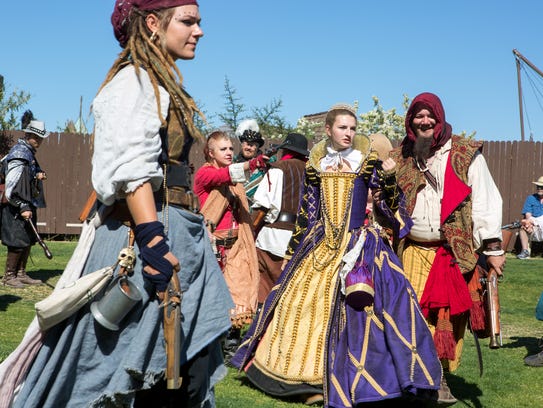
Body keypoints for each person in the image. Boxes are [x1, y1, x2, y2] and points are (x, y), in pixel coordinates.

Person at [0, 1, 233, 407]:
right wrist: (154, 243)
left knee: (185, 374)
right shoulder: (133, 83)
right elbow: (131, 169)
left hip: (175, 231)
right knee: (121, 371)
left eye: (199, 22)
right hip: (143, 238)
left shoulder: (160, 85)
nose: (199, 30)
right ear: (153, 24)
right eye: (188, 21)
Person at [232, 104, 442, 407]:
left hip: (358, 243)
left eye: (353, 128)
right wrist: (294, 253)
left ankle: (363, 378)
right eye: (342, 128)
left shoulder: (366, 162)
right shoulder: (317, 164)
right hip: (320, 244)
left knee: (368, 309)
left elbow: (390, 205)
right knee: (298, 302)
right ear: (328, 130)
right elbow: (308, 212)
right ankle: (298, 380)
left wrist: (390, 179)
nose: (349, 133)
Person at [390, 92, 506, 404]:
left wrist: (493, 248)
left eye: (430, 116)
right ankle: (414, 378)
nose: (424, 121)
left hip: (451, 254)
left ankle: (438, 379)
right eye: (419, 116)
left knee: (447, 322)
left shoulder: (466, 154)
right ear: (411, 121)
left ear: (439, 118)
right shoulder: (401, 155)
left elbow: (486, 202)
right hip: (410, 251)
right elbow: (385, 201)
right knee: (409, 317)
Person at [194, 130, 268, 360]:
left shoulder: (233, 179)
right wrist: (252, 163)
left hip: (235, 245)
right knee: (212, 296)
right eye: (223, 149)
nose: (228, 152)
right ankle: (208, 344)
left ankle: (230, 345)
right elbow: (223, 177)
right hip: (213, 245)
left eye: (230, 149)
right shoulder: (205, 174)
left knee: (238, 289)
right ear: (210, 152)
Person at [251, 132, 309, 306]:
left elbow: (263, 205)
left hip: (273, 239)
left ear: (285, 150)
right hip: (302, 239)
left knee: (266, 292)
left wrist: (251, 230)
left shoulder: (278, 169)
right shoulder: (313, 173)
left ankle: (262, 328)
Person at [1, 111, 48, 288]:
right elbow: (11, 188)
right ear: (28, 135)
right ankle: (9, 276)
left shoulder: (29, 153)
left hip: (27, 203)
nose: (39, 141)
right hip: (14, 206)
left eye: (40, 138)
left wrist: (38, 174)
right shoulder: (20, 153)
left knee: (27, 239)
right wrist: (22, 206)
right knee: (16, 241)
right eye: (36, 137)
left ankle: (21, 274)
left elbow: (29, 175)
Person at [233, 119, 275, 205]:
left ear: (257, 147)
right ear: (242, 144)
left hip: (258, 209)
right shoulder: (233, 162)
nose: (249, 148)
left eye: (252, 145)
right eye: (247, 144)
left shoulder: (267, 163)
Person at [517, 176, 543, 259]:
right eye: (538, 186)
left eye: (541, 187)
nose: (539, 188)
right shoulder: (530, 198)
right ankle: (525, 252)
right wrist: (529, 223)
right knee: (523, 227)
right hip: (534, 227)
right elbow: (528, 215)